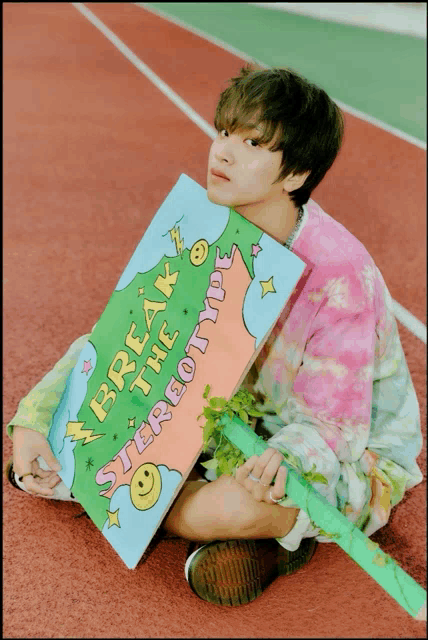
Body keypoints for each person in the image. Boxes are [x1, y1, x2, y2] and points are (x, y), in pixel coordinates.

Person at [6, 65, 423, 607]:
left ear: (296, 174)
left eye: (251, 143)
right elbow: (122, 337)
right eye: (224, 132)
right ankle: (236, 531)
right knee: (52, 444)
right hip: (223, 413)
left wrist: (282, 459)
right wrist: (34, 419)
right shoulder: (203, 223)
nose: (222, 152)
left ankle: (189, 513)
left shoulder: (341, 275)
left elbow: (335, 429)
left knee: (229, 505)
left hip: (339, 450)